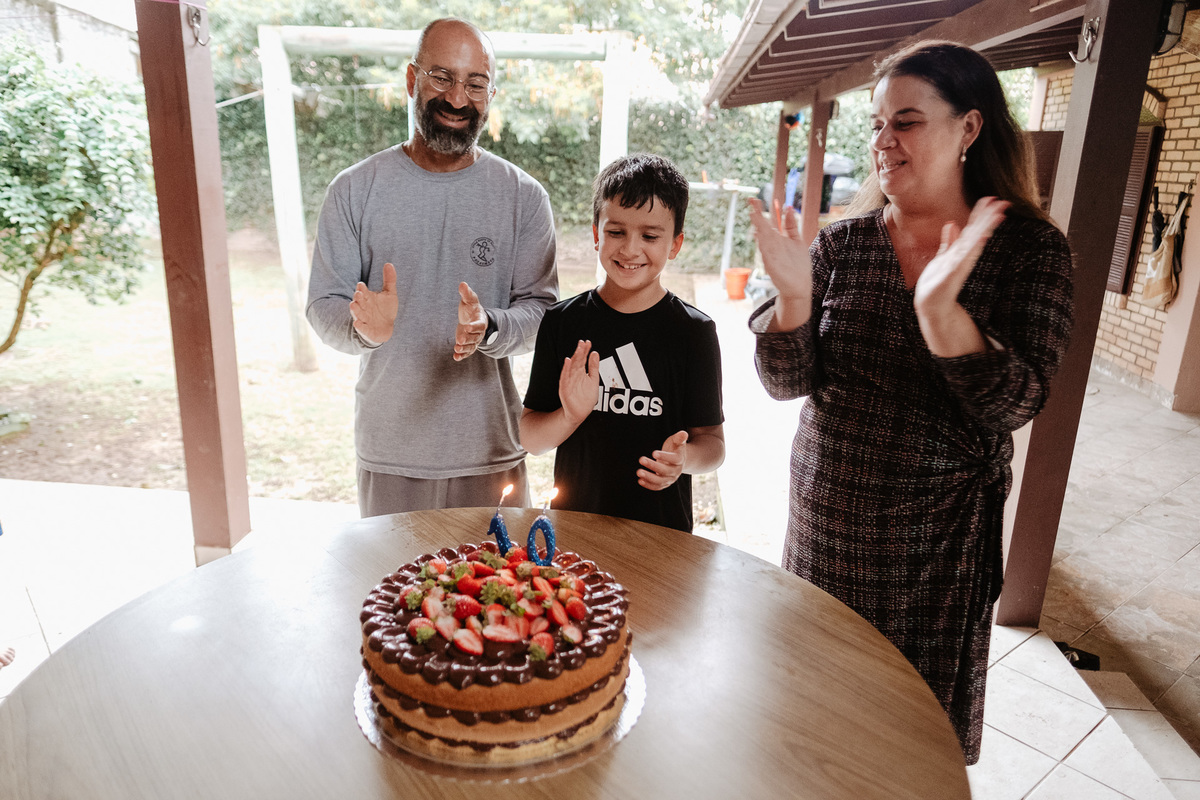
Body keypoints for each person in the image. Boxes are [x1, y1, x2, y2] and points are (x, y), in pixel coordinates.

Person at [746, 41, 1074, 764]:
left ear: (969, 128)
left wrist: (942, 318)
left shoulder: (1029, 252)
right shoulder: (845, 245)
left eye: (907, 122)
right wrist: (796, 298)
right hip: (825, 524)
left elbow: (1018, 401)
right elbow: (784, 383)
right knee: (817, 721)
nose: (882, 142)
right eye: (875, 124)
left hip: (936, 550)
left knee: (908, 742)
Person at [306, 18, 558, 517]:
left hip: (491, 453)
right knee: (395, 594)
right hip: (390, 453)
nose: (458, 99)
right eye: (441, 77)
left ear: (490, 93)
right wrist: (364, 329)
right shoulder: (354, 190)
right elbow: (322, 306)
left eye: (475, 84)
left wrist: (492, 326)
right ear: (411, 80)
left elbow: (543, 312)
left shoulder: (524, 198)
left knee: (499, 593)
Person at [520, 154, 725, 532]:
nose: (630, 249)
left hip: (662, 535)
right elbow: (531, 438)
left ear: (675, 244)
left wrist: (683, 461)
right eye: (616, 232)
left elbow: (712, 445)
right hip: (574, 526)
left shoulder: (694, 332)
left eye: (649, 236)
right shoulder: (563, 322)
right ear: (597, 233)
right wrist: (570, 415)